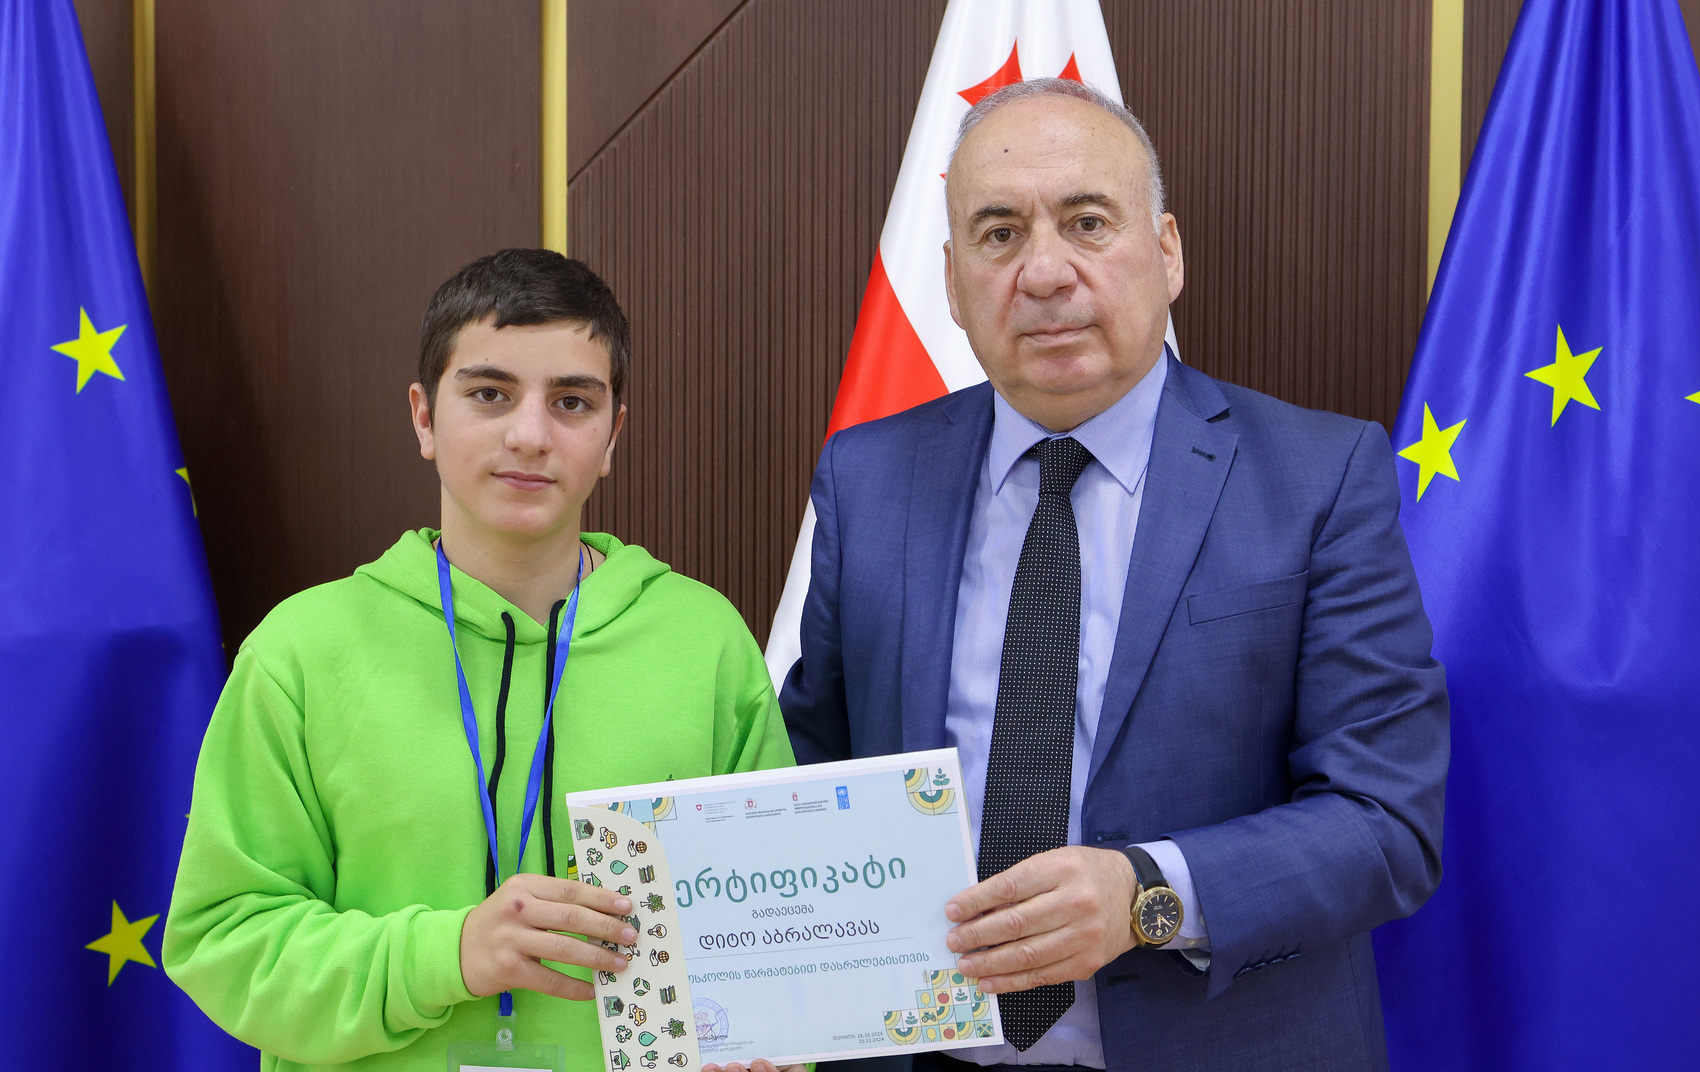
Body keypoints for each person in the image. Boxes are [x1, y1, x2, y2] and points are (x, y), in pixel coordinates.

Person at [779, 79, 1450, 1071]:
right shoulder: (869, 477)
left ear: (1167, 252)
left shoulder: (1319, 477)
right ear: (954, 282)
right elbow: (815, 767)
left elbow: (1387, 821)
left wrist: (1147, 894)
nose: (1046, 271)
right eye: (999, 234)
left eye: (1088, 222)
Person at [164, 249, 796, 1071]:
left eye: (572, 402)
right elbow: (222, 939)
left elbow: (776, 940)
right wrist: (452, 954)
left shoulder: (704, 642)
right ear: (425, 418)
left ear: (613, 435)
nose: (530, 435)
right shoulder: (302, 652)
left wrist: (773, 1043)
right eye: (490, 394)